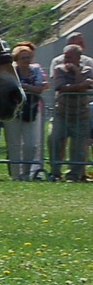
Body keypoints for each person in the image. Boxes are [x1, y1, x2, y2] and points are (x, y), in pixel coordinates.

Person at [48, 42, 92, 181]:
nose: (66, 61)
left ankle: (73, 175)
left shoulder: (87, 69)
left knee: (78, 148)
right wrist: (81, 85)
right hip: (61, 114)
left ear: (79, 59)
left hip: (81, 115)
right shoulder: (59, 69)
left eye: (70, 58)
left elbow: (88, 86)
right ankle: (55, 172)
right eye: (65, 57)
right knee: (53, 139)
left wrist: (76, 72)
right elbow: (60, 87)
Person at [5, 41, 47, 180]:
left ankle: (27, 173)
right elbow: (10, 87)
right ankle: (16, 175)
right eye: (23, 58)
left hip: (32, 110)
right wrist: (29, 87)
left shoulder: (35, 69)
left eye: (28, 57)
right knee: (14, 144)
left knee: (31, 145)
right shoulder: (12, 70)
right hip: (14, 111)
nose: (26, 60)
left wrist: (24, 86)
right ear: (17, 59)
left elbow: (40, 88)